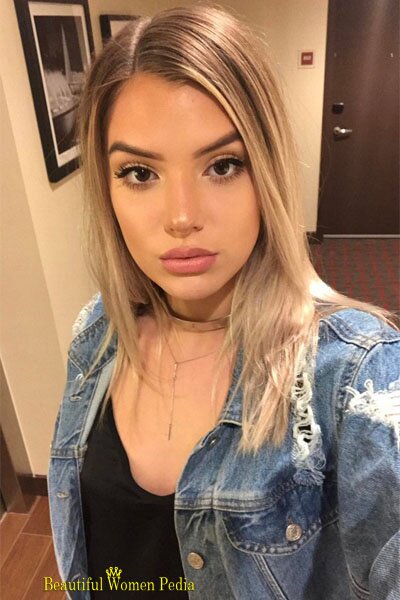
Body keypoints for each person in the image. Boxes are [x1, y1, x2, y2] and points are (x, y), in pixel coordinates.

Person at [48, 5, 400, 600]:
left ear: (267, 171)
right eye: (139, 173)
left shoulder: (357, 378)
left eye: (223, 165)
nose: (182, 216)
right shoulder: (98, 330)